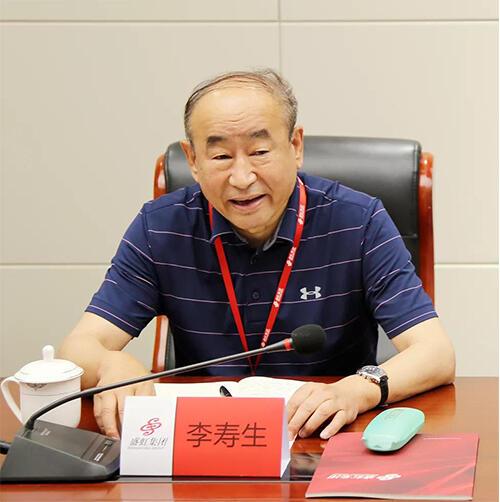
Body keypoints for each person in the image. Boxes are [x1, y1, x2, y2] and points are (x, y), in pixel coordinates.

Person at [59, 69, 455, 441]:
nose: (242, 178)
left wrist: (358, 389)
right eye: (220, 157)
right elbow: (77, 348)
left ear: (295, 146)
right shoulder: (161, 228)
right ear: (193, 160)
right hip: (206, 440)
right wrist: (110, 364)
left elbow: (435, 353)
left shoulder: (358, 221)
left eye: (260, 151)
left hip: (323, 436)